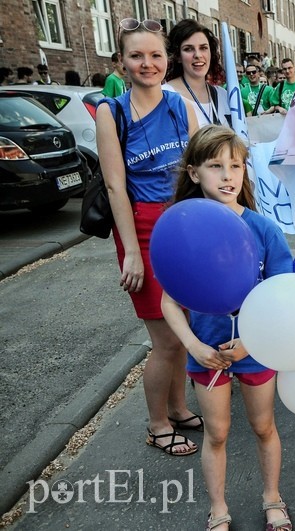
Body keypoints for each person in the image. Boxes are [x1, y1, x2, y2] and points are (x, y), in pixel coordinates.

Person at [162, 125, 294, 531]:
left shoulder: (264, 229)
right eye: (215, 165)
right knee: (216, 433)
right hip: (207, 352)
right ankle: (217, 508)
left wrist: (249, 342)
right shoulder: (181, 228)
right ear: (193, 173)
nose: (227, 175)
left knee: (263, 426)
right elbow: (169, 300)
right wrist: (193, 346)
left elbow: (282, 295)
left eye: (235, 165)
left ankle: (273, 498)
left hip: (255, 351)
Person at [95, 17, 200, 457]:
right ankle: (157, 424)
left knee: (184, 326)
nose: (147, 63)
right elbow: (117, 186)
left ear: (167, 59)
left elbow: (201, 171)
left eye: (156, 55)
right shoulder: (111, 111)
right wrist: (132, 255)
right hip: (142, 225)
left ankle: (177, 408)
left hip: (184, 224)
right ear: (122, 62)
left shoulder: (180, 105)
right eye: (136, 56)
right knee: (166, 338)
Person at [164, 19, 230, 127]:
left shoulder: (223, 96)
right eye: (188, 49)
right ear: (178, 56)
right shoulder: (165, 96)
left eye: (203, 48)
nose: (198, 55)